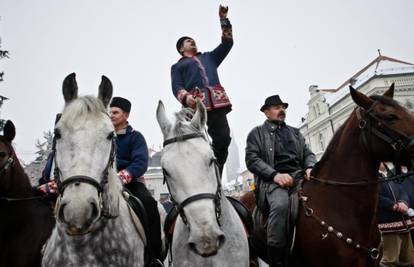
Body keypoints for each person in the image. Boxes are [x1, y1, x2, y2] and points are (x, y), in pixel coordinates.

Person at [245, 95, 316, 267]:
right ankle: (276, 257)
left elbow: (308, 154)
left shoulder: (295, 132)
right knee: (281, 205)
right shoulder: (257, 133)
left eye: (283, 107)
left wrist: (310, 167)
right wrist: (275, 175)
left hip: (300, 176)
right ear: (266, 113)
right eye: (276, 107)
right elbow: (252, 159)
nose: (281, 110)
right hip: (272, 182)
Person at [170, 5, 233, 176]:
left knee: (223, 138)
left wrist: (223, 19)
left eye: (193, 40)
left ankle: (215, 171)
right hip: (194, 107)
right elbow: (176, 87)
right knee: (192, 140)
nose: (192, 41)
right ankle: (195, 172)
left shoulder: (209, 57)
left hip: (217, 104)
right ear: (182, 49)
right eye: (188, 41)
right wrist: (186, 97)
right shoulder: (178, 66)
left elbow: (227, 43)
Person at [110, 97, 163, 266]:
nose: (111, 115)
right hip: (106, 183)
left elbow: (140, 163)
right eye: (109, 112)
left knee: (149, 204)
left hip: (132, 183)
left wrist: (122, 177)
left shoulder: (135, 137)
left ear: (126, 115)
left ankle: (154, 256)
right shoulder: (104, 136)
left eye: (115, 112)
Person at [378, 163, 414, 267]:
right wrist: (392, 205)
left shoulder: (390, 176)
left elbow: (402, 191)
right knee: (389, 261)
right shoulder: (372, 177)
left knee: (409, 260)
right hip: (388, 225)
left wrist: (404, 202)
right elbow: (375, 197)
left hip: (404, 224)